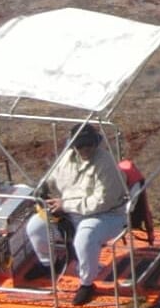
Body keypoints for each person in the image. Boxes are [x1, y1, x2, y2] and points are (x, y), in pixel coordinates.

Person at [46, 124, 129, 298]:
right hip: (69, 211)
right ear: (73, 146)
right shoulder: (67, 159)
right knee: (35, 227)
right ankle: (48, 265)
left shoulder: (106, 164)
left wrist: (66, 206)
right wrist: (42, 190)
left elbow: (101, 202)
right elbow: (52, 179)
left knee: (85, 238)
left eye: (89, 144)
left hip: (106, 215)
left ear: (96, 143)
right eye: (79, 145)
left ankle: (86, 284)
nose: (84, 149)